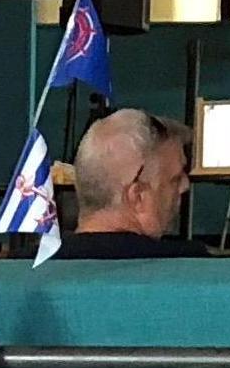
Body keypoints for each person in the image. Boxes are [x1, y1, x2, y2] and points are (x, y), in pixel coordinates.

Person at [57, 109, 197, 258]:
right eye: (175, 180)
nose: (185, 185)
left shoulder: (35, 267)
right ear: (138, 197)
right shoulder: (189, 266)